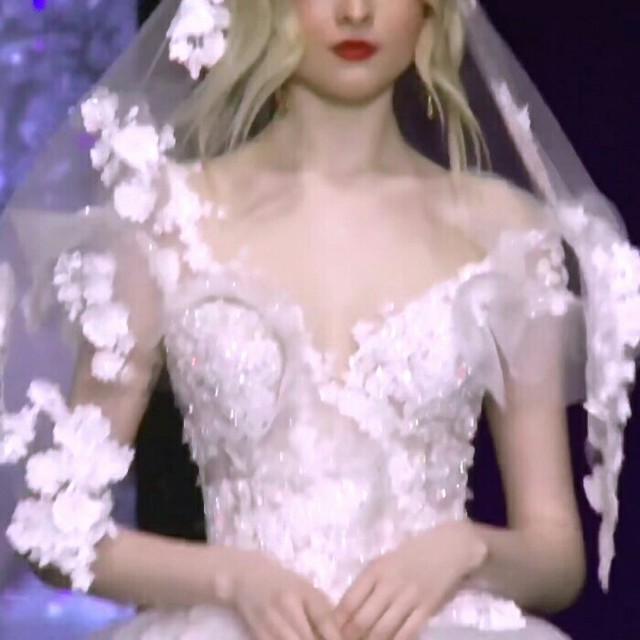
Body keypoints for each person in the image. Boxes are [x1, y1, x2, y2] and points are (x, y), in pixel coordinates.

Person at [1, 1, 638, 639]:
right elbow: (57, 527)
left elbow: (556, 557)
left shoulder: (504, 232)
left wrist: (467, 550)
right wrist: (230, 578)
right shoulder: (165, 221)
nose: (355, 12)